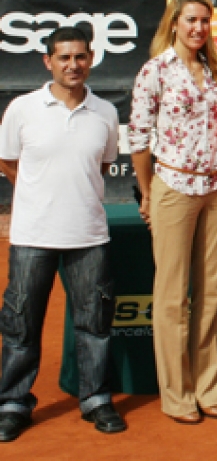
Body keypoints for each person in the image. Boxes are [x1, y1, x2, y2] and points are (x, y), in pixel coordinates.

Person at [0, 27, 125, 441]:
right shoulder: (22, 108)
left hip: (88, 236)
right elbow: (9, 162)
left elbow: (102, 166)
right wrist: (41, 197)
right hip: (32, 236)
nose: (73, 65)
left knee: (94, 326)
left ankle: (95, 400)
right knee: (21, 326)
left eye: (80, 57)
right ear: (47, 62)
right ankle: (14, 403)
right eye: (64, 57)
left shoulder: (106, 112)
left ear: (91, 59)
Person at [128, 0, 217, 423]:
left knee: (210, 293)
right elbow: (137, 137)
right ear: (174, 22)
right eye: (191, 20)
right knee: (173, 298)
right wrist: (148, 192)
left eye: (205, 21)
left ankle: (209, 387)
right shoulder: (155, 70)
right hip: (172, 185)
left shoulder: (213, 69)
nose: (198, 28)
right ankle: (177, 395)